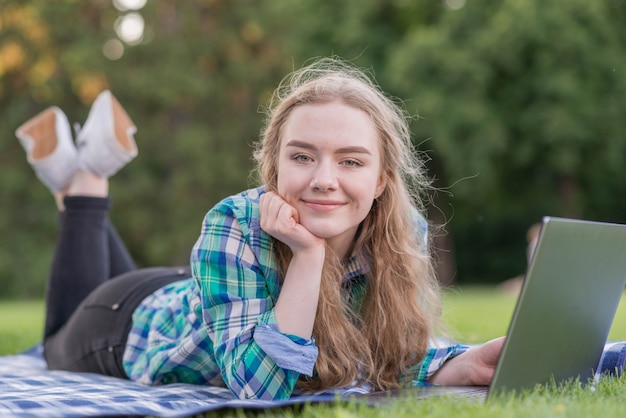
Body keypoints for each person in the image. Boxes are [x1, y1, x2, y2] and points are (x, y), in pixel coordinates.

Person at [15, 57, 504, 401]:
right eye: (302, 156)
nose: (324, 180)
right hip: (124, 328)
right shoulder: (232, 222)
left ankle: (75, 172)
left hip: (197, 294)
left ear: (380, 180)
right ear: (273, 166)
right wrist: (309, 257)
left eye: (350, 161)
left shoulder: (402, 231)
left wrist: (461, 364)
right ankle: (86, 179)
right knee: (54, 341)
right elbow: (262, 389)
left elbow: (391, 355)